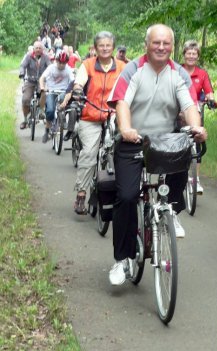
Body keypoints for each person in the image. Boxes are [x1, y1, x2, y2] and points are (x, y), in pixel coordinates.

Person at [107, 23, 206, 286]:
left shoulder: (179, 74)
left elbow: (189, 105)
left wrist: (196, 126)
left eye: (166, 43)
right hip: (134, 140)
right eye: (156, 43)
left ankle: (170, 210)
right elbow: (122, 103)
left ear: (172, 47)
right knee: (127, 196)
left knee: (185, 150)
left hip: (165, 140)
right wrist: (126, 129)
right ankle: (122, 259)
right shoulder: (133, 69)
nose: (161, 47)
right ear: (146, 45)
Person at [72, 31, 125, 215]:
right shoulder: (87, 65)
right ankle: (81, 193)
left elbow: (131, 85)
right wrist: (78, 90)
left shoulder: (122, 67)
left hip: (114, 115)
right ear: (95, 48)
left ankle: (122, 192)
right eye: (101, 45)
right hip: (91, 115)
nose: (104, 48)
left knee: (124, 150)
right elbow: (79, 82)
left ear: (113, 47)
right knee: (89, 152)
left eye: (108, 45)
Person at [182, 39, 215, 194]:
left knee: (198, 141)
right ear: (184, 55)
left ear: (198, 56)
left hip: (196, 110)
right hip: (178, 111)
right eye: (189, 53)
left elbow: (209, 91)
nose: (191, 56)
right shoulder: (177, 71)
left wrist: (211, 99)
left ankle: (196, 179)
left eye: (194, 54)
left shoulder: (202, 74)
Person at [39, 51, 74, 143]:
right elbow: (42, 78)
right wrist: (42, 88)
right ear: (56, 61)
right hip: (52, 91)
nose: (61, 65)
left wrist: (71, 90)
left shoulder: (68, 69)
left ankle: (63, 120)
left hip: (63, 91)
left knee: (67, 103)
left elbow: (73, 81)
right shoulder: (51, 68)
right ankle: (47, 130)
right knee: (50, 110)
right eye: (60, 62)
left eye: (64, 63)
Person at [19, 41, 51, 129]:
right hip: (30, 81)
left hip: (41, 81)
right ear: (33, 49)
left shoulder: (46, 57)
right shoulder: (29, 56)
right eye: (36, 48)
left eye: (40, 48)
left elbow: (50, 67)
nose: (38, 50)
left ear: (42, 49)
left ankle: (41, 111)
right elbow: (22, 66)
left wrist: (50, 75)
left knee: (44, 93)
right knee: (25, 99)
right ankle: (25, 120)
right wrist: (22, 73)